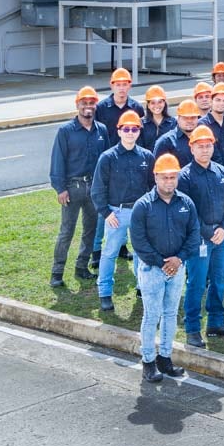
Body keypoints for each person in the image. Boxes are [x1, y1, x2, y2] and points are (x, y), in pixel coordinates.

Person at [129, 154, 199, 383]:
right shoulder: (143, 206)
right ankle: (148, 362)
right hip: (152, 270)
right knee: (152, 315)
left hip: (177, 269)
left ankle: (165, 358)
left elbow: (193, 234)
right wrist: (162, 263)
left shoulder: (186, 203)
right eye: (165, 177)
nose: (169, 181)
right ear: (156, 177)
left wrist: (178, 260)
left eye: (173, 177)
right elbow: (138, 242)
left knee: (170, 314)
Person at [176, 126, 224, 346]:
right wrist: (209, 232)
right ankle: (192, 328)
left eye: (208, 146)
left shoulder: (222, 172)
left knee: (220, 279)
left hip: (221, 238)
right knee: (197, 283)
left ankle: (215, 322)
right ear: (191, 148)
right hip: (199, 239)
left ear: (213, 146)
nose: (204, 150)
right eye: (200, 146)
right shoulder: (185, 177)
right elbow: (187, 211)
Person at [91, 110, 154, 311]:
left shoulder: (146, 156)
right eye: (126, 129)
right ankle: (105, 291)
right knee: (109, 253)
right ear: (119, 131)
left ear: (139, 131)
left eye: (134, 129)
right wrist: (106, 213)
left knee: (140, 253)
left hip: (139, 212)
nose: (130, 132)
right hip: (115, 213)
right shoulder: (108, 158)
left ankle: (141, 286)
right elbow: (98, 188)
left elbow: (153, 186)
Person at [49, 87, 107, 287]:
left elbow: (106, 161)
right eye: (84, 103)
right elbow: (58, 160)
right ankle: (57, 273)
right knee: (67, 231)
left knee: (90, 230)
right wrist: (60, 188)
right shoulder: (65, 131)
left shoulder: (102, 130)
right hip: (72, 188)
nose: (88, 106)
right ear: (77, 105)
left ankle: (82, 267)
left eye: (91, 103)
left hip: (94, 188)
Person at [139, 85, 175, 151]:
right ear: (148, 105)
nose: (157, 106)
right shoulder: (141, 124)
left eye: (160, 102)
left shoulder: (173, 123)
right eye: (153, 103)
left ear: (164, 103)